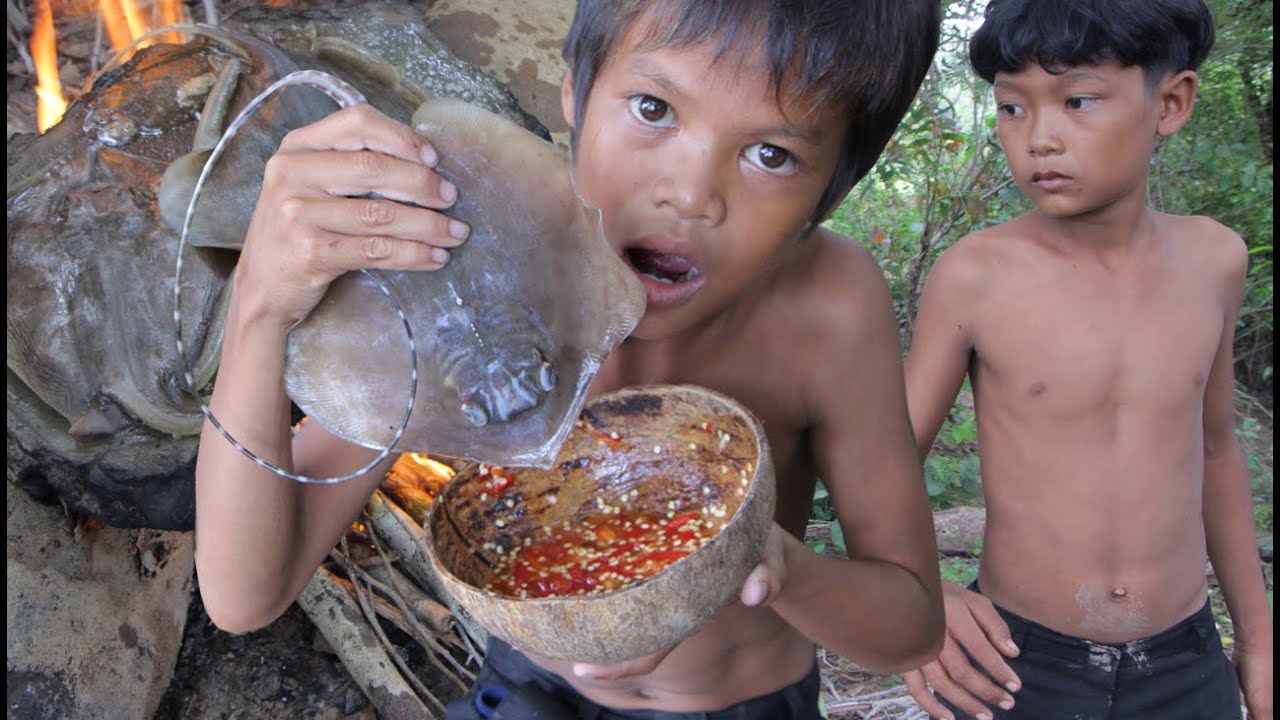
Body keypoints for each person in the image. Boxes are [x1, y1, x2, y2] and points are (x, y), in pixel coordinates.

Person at [195, 1, 947, 718]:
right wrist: (259, 307)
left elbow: (910, 625)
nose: (689, 196)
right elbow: (243, 594)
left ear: (833, 187)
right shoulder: (475, 258)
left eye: (770, 154)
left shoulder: (830, 309)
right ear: (576, 87)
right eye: (654, 109)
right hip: (522, 694)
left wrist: (765, 563)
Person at [899, 2, 1273, 719]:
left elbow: (1217, 450)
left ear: (1171, 102)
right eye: (1012, 108)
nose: (1040, 138)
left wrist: (1257, 638)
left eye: (1077, 101)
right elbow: (883, 466)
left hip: (1185, 662)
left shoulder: (1214, 260)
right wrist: (924, 596)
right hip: (1017, 660)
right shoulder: (978, 274)